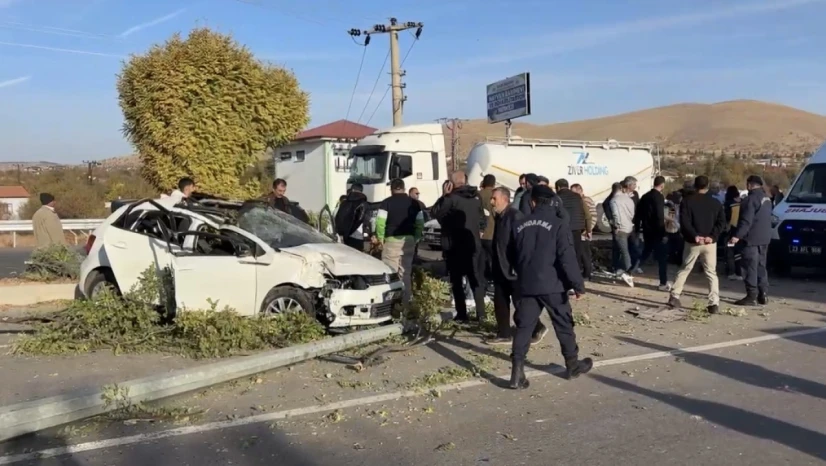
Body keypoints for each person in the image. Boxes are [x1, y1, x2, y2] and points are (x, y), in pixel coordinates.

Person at [508, 185, 593, 389]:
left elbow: (512, 254)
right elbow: (567, 258)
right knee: (563, 324)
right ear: (552, 202)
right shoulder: (558, 225)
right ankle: (572, 364)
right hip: (552, 284)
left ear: (533, 202)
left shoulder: (519, 224)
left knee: (524, 328)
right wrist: (577, 285)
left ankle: (516, 371)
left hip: (527, 284)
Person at [431, 172, 487, 323]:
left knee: (456, 281)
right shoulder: (476, 197)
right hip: (473, 244)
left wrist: (444, 195)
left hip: (454, 245)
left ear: (451, 183)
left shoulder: (451, 199)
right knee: (476, 279)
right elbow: (483, 219)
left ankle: (462, 315)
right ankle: (481, 314)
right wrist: (480, 231)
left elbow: (435, 212)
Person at [667, 176, 727, 313]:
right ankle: (714, 303)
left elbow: (685, 221)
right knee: (711, 272)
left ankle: (674, 295)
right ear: (708, 186)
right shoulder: (715, 203)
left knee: (685, 269)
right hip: (710, 243)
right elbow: (721, 222)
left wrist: (695, 236)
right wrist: (712, 236)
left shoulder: (687, 202)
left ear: (695, 186)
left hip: (693, 242)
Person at [375, 178, 424, 304]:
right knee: (406, 272)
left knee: (390, 272)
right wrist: (416, 238)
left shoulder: (386, 203)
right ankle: (406, 302)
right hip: (409, 240)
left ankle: (391, 303)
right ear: (404, 188)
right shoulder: (414, 203)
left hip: (391, 240)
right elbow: (420, 223)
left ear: (391, 189)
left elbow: (380, 223)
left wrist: (380, 238)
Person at [487, 187, 524, 345]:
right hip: (500, 267)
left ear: (505, 199)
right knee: (500, 301)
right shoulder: (500, 216)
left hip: (513, 269)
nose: (492, 202)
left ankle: (536, 327)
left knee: (520, 303)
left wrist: (518, 265)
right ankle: (504, 333)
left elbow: (521, 243)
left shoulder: (515, 216)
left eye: (494, 198)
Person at [729, 175, 773, 306]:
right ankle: (763, 294)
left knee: (749, 267)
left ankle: (751, 295)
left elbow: (746, 221)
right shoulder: (767, 199)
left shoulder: (750, 200)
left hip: (751, 239)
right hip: (764, 238)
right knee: (761, 266)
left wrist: (737, 236)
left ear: (749, 185)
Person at [634, 175, 671, 291]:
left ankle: (630, 270)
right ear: (662, 185)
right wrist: (664, 233)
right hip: (657, 231)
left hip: (647, 229)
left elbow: (638, 213)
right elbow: (659, 216)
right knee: (662, 258)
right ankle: (663, 283)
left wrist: (637, 228)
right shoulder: (659, 197)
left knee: (646, 251)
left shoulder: (645, 196)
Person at [555, 178, 591, 281]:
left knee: (564, 252)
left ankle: (566, 276)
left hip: (563, 228)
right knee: (576, 252)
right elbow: (587, 214)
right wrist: (588, 229)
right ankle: (577, 275)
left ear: (558, 187)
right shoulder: (578, 197)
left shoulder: (557, 197)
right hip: (577, 228)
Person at [609, 178, 637, 287]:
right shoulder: (628, 199)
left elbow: (616, 215)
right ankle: (623, 270)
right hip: (629, 226)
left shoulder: (614, 200)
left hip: (621, 228)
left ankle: (628, 273)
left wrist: (616, 226)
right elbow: (632, 213)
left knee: (624, 252)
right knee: (627, 250)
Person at [334, 183, 369, 251]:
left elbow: (338, 218)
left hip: (346, 236)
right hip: (358, 236)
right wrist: (366, 234)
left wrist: (343, 232)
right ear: (361, 191)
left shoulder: (344, 203)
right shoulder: (364, 204)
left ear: (352, 190)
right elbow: (365, 220)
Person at [571, 183, 595, 280]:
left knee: (585, 254)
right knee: (579, 253)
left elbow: (592, 216)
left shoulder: (587, 201)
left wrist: (588, 230)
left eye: (574, 192)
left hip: (584, 232)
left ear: (580, 190)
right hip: (578, 231)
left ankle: (587, 273)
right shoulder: (575, 201)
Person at [479, 175, 497, 282]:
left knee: (481, 258)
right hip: (492, 232)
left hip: (480, 232)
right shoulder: (495, 195)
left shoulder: (478, 194)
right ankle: (491, 278)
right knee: (492, 258)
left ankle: (482, 278)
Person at [723, 186, 743, 281]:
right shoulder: (743, 202)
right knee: (738, 252)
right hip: (741, 231)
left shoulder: (728, 204)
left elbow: (726, 218)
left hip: (731, 231)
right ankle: (739, 272)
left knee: (730, 252)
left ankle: (731, 272)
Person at [603, 182, 622, 272]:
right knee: (617, 247)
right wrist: (611, 220)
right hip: (618, 225)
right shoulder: (613, 198)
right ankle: (616, 266)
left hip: (618, 225)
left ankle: (616, 265)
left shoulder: (611, 197)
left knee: (618, 246)